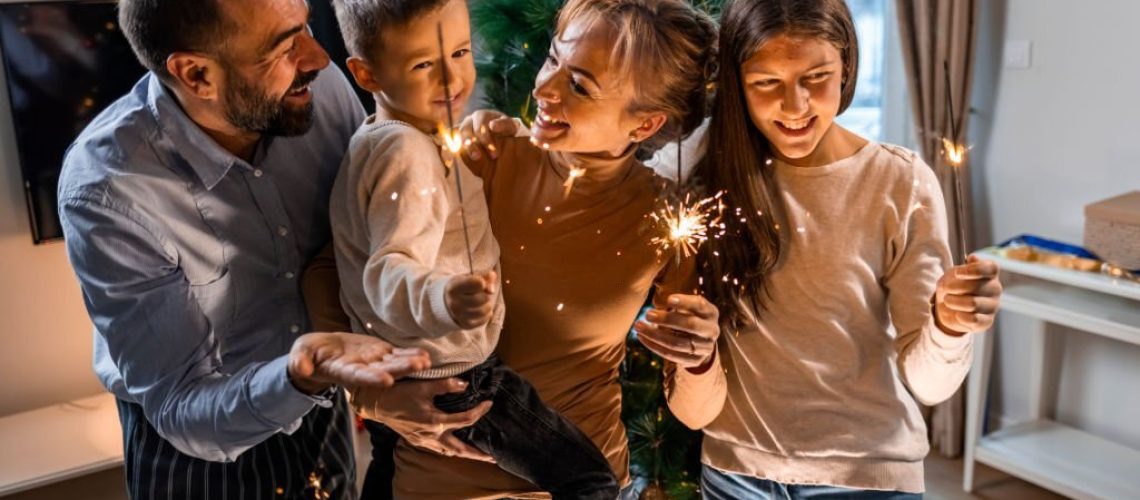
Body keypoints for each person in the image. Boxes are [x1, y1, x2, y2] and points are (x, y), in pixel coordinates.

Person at [317, 1, 727, 497]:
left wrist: (699, 359)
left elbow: (694, 412)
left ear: (644, 125)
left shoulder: (667, 221)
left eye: (579, 85)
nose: (544, 90)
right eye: (553, 59)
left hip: (584, 480)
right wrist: (369, 397)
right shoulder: (483, 157)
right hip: (439, 484)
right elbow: (328, 270)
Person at [57, 1, 429, 498]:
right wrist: (298, 376)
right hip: (196, 449)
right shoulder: (109, 191)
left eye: (307, 28)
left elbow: (377, 226)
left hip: (322, 402)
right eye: (284, 46)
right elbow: (181, 402)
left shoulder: (319, 88)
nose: (318, 57)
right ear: (197, 75)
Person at [666, 0, 1003, 497]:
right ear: (737, 84)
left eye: (816, 76)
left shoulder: (900, 182)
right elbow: (694, 411)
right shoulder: (705, 178)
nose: (795, 105)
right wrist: (695, 358)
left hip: (867, 477)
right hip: (734, 475)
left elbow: (931, 385)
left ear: (846, 65)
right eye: (766, 83)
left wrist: (950, 324)